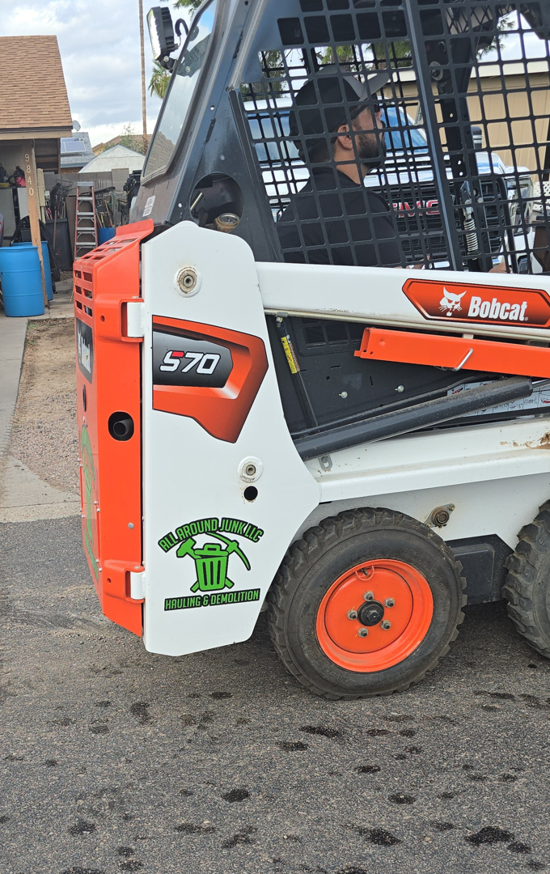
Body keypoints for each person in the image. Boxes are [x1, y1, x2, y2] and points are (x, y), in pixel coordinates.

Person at [277, 67, 405, 268]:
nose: (379, 112)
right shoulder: (356, 208)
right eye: (371, 106)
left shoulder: (306, 205)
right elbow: (398, 295)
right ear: (347, 137)